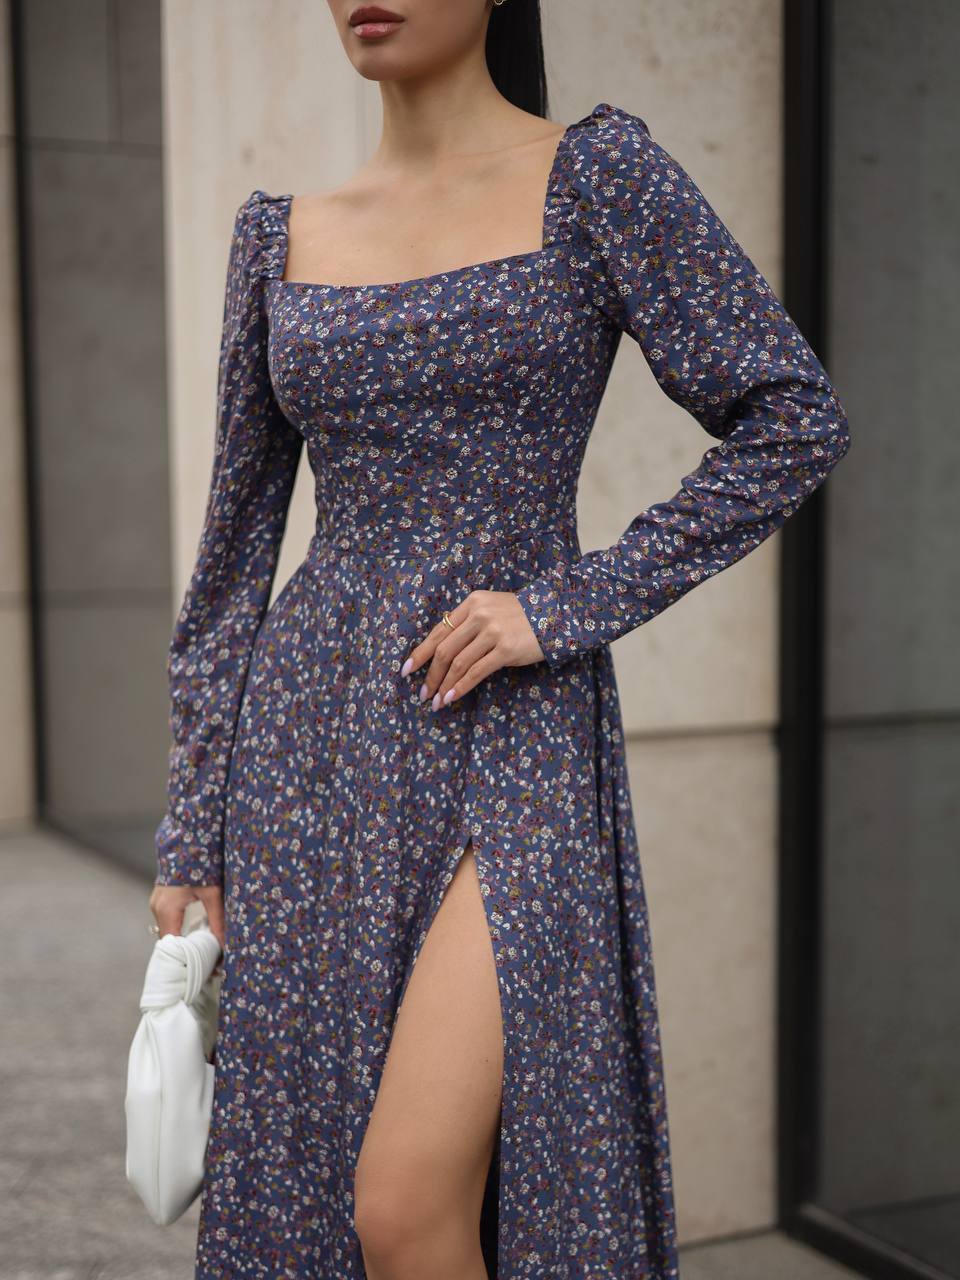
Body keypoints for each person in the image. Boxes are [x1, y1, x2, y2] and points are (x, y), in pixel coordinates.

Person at [148, 2, 852, 1277]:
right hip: (310, 751)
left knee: (403, 1200)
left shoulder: (598, 176)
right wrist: (195, 826)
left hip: (515, 734)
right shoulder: (278, 235)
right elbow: (235, 554)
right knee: (315, 1177)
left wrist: (568, 601)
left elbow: (791, 417)